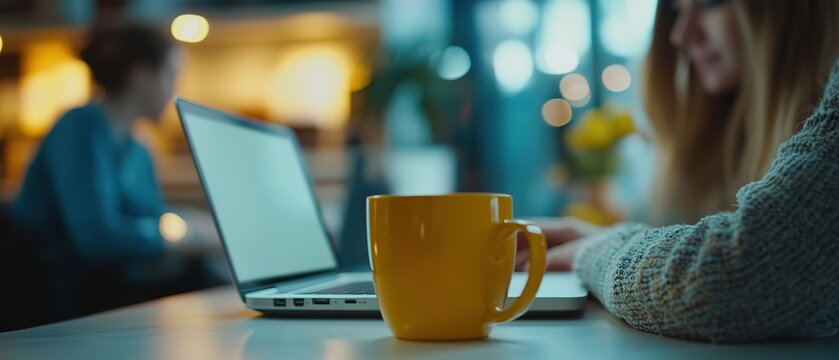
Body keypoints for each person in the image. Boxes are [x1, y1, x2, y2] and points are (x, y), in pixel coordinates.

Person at [517, 0, 839, 342]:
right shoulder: (721, 137)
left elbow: (739, 273)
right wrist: (602, 240)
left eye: (711, 4)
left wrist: (596, 250)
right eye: (677, 10)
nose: (680, 34)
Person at [6, 21, 214, 326]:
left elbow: (152, 215)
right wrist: (179, 239)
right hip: (51, 294)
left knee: (205, 278)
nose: (175, 90)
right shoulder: (80, 127)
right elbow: (96, 237)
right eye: (171, 75)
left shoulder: (138, 148)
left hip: (103, 287)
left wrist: (191, 226)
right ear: (139, 76)